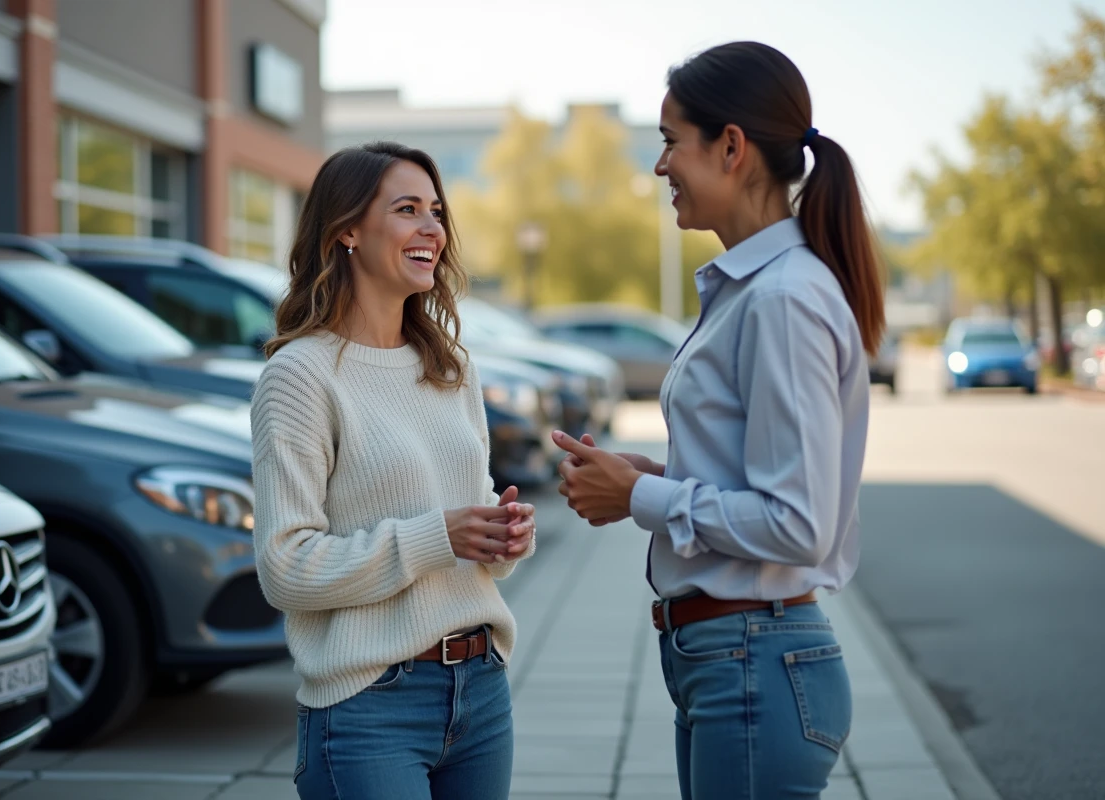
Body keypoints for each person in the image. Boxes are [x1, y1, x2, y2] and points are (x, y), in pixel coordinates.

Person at [553, 42, 885, 799]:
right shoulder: (754, 289)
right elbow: (761, 481)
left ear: (730, 146)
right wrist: (647, 477)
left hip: (753, 662)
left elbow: (798, 523)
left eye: (671, 141)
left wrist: (642, 499)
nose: (660, 166)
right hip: (729, 661)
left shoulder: (783, 299)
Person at [250, 141, 537, 800]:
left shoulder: (451, 367)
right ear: (346, 229)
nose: (433, 229)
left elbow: (471, 534)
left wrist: (504, 538)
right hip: (369, 704)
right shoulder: (300, 376)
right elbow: (284, 567)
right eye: (408, 209)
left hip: (481, 690)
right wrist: (440, 535)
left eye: (436, 211)